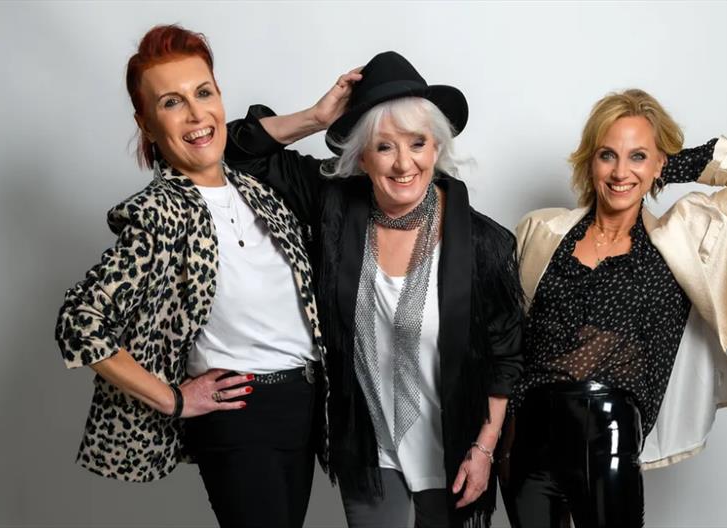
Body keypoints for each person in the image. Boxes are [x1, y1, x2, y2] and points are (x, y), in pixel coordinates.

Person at [54, 24, 356, 527]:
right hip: (240, 413)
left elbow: (244, 141)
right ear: (147, 123)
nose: (196, 114)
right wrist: (172, 398)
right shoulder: (158, 213)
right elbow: (79, 323)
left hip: (304, 406)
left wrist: (318, 117)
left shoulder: (259, 190)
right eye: (172, 103)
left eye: (204, 93)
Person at [224, 51, 524, 528]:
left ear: (436, 149)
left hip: (453, 454)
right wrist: (317, 117)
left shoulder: (485, 243)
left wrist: (485, 449)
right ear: (360, 156)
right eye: (384, 147)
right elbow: (238, 154)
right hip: (368, 452)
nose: (404, 163)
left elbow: (505, 361)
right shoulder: (333, 209)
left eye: (418, 143)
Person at [501, 89, 727, 527]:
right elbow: (509, 336)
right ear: (590, 162)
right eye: (608, 155)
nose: (620, 172)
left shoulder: (680, 241)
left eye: (638, 157)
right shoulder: (541, 231)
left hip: (608, 433)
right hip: (528, 438)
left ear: (657, 165)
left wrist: (669, 164)